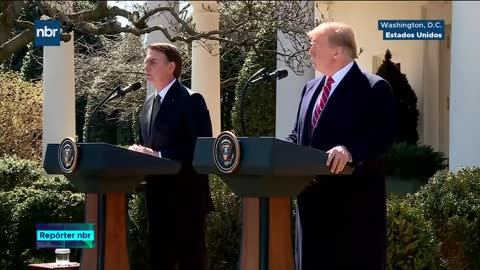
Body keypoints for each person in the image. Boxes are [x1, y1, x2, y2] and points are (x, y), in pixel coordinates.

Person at [287, 22, 396, 270]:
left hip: (352, 210)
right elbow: (299, 136)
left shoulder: (374, 88)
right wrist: (274, 151)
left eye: (315, 46)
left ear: (337, 52)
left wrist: (349, 150)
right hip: (310, 207)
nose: (310, 52)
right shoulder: (310, 88)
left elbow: (382, 135)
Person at [129, 42, 213, 270]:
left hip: (187, 199)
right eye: (146, 60)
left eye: (153, 61)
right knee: (159, 261)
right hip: (157, 199)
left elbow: (201, 149)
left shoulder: (191, 99)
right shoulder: (148, 104)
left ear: (171, 67)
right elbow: (146, 144)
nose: (146, 65)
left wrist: (159, 154)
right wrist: (138, 153)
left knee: (190, 262)